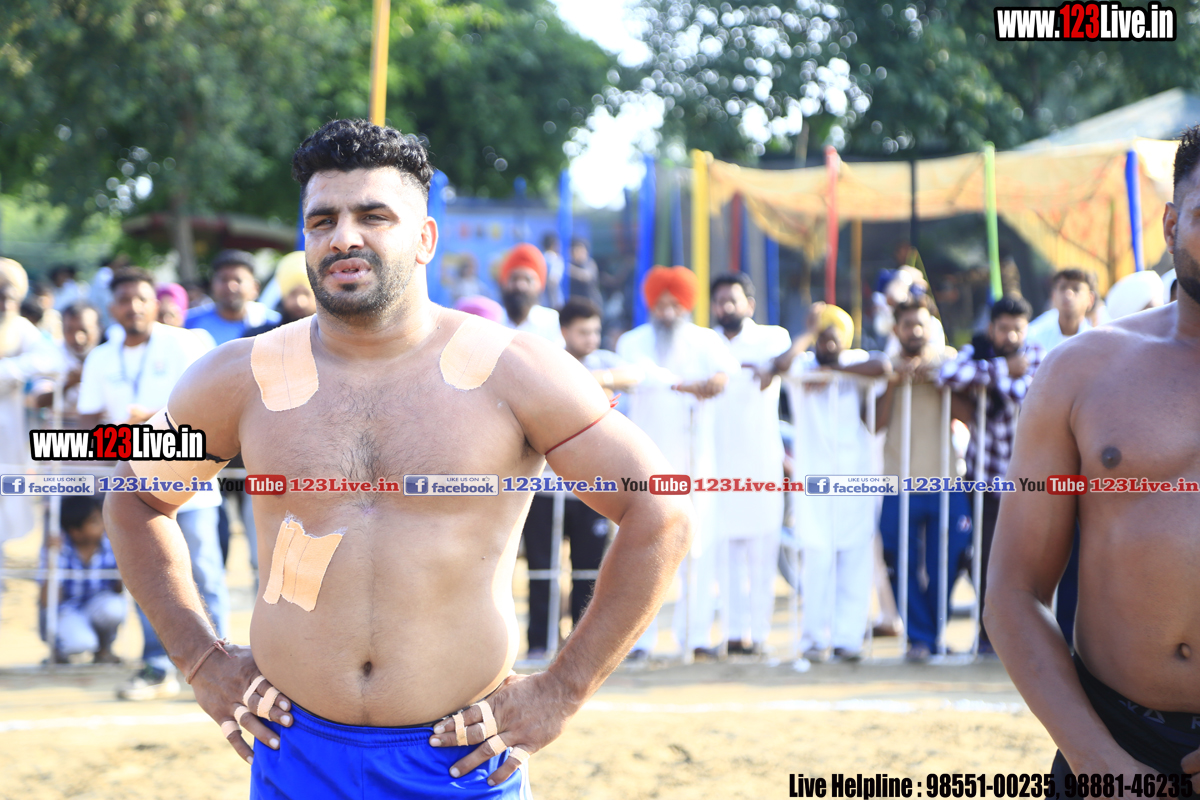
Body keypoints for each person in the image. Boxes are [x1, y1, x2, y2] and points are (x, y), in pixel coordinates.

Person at [104, 118, 691, 797]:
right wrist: (201, 660)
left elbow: (661, 507)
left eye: (373, 216)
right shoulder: (241, 374)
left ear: (425, 238)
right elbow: (134, 496)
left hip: (461, 760)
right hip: (296, 754)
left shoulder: (515, 370)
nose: (343, 237)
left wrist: (562, 690)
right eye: (322, 220)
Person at [987, 125, 1200, 784]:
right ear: (1172, 224)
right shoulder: (1081, 372)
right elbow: (1013, 591)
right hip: (1114, 738)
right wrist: (1096, 759)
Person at [76, 267, 228, 701]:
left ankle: (224, 664)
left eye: (142, 298)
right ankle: (157, 666)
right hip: (135, 490)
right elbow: (87, 422)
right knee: (148, 578)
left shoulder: (185, 343)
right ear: (112, 307)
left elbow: (216, 401)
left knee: (205, 573)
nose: (134, 307)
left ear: (155, 302)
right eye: (125, 300)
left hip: (193, 480)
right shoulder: (101, 357)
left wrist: (155, 419)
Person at [617, 265, 738, 660]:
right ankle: (640, 641)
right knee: (645, 548)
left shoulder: (705, 340)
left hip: (697, 463)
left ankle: (695, 636)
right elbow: (639, 374)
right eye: (661, 304)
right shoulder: (633, 341)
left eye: (675, 304)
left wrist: (716, 380)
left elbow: (728, 371)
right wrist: (683, 385)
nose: (668, 312)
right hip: (647, 464)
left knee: (700, 547)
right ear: (651, 305)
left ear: (686, 305)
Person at [778, 302, 890, 662]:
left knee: (855, 556)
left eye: (834, 336)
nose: (828, 343)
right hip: (814, 481)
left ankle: (848, 640)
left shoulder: (854, 362)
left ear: (845, 338)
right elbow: (780, 365)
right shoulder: (803, 367)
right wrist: (808, 333)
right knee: (817, 558)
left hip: (855, 477)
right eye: (821, 337)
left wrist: (835, 370)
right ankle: (813, 640)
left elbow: (883, 366)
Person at [519, 297, 629, 660]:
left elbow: (637, 376)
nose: (591, 339)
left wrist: (598, 379)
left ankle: (581, 647)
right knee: (542, 569)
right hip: (547, 487)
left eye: (596, 331)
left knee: (589, 570)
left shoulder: (606, 362)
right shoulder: (547, 362)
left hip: (593, 487)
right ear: (565, 331)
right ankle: (540, 642)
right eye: (583, 332)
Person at [938, 295, 1043, 654]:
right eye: (1003, 328)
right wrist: (1002, 368)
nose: (1010, 336)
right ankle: (988, 636)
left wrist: (992, 375)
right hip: (982, 479)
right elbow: (947, 373)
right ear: (991, 329)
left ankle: (1024, 637)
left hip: (1027, 482)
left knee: (1026, 562)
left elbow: (1023, 391)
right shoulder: (978, 351)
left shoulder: (1038, 354)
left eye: (1017, 329)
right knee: (984, 559)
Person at [876, 294, 970, 662]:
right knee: (897, 557)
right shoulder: (886, 365)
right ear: (896, 329)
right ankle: (920, 637)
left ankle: (929, 633)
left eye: (920, 324)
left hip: (945, 479)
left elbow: (966, 414)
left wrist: (940, 380)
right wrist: (895, 380)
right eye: (907, 325)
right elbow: (875, 423)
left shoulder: (948, 362)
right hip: (899, 481)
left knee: (950, 556)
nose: (914, 331)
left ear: (930, 326)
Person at [709, 273, 792, 657]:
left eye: (733, 299)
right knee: (724, 554)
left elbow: (783, 361)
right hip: (717, 466)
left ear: (750, 304)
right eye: (720, 300)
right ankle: (733, 634)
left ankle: (758, 635)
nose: (726, 306)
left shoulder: (772, 337)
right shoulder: (706, 343)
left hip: (761, 463)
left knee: (762, 551)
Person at [0, 258, 63, 551]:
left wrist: (8, 371)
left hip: (8, 432)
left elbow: (51, 360)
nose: (5, 304)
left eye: (10, 297)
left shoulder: (20, 328)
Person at [39, 494, 126, 663]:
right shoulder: (58, 550)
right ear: (75, 532)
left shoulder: (111, 545)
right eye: (94, 522)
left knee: (116, 608)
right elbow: (47, 601)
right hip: (68, 610)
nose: (102, 525)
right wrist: (51, 562)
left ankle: (104, 649)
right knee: (81, 644)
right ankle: (61, 651)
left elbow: (119, 590)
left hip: (97, 607)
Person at [185, 250, 281, 345]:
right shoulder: (188, 323)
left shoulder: (275, 325)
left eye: (238, 280)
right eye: (223, 279)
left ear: (255, 288)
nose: (230, 286)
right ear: (212, 285)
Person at [499, 243, 564, 347]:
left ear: (539, 285)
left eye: (527, 280)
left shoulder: (550, 321)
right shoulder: (494, 319)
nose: (520, 286)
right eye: (514, 279)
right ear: (505, 283)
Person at [1026, 268, 1097, 353]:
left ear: (1090, 299)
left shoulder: (1096, 343)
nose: (1068, 294)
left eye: (1076, 289)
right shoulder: (1034, 338)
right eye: (1063, 288)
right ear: (1053, 296)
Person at [567, 237, 602, 308]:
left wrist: (567, 268)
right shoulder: (571, 264)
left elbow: (585, 276)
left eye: (581, 250)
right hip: (576, 304)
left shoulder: (590, 263)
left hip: (591, 304)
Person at [540, 233, 565, 310]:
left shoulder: (540, 257)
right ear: (553, 245)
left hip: (541, 300)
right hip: (553, 301)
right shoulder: (555, 258)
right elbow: (553, 280)